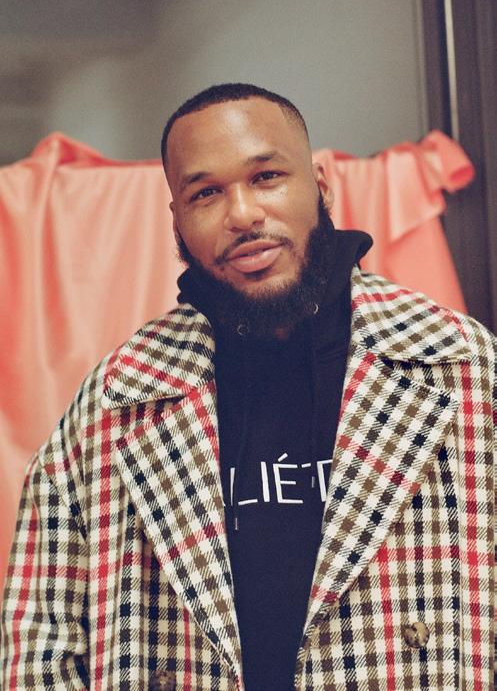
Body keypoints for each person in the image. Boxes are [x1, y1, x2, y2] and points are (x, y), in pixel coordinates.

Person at [1, 83, 495, 691]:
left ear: (320, 187)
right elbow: (40, 648)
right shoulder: (116, 399)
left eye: (266, 177)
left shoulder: (461, 366)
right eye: (205, 193)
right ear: (177, 220)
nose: (241, 214)